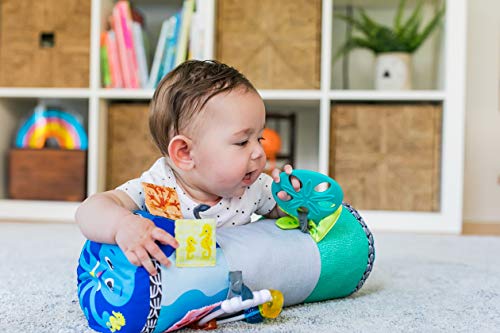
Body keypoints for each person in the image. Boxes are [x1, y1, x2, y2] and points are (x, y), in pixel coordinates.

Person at [76, 60, 297, 275]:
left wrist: (292, 199)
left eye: (260, 139)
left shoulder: (253, 186)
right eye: (242, 142)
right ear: (184, 153)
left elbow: (281, 213)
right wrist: (122, 225)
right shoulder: (159, 188)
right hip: (174, 282)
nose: (259, 153)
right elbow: (88, 211)